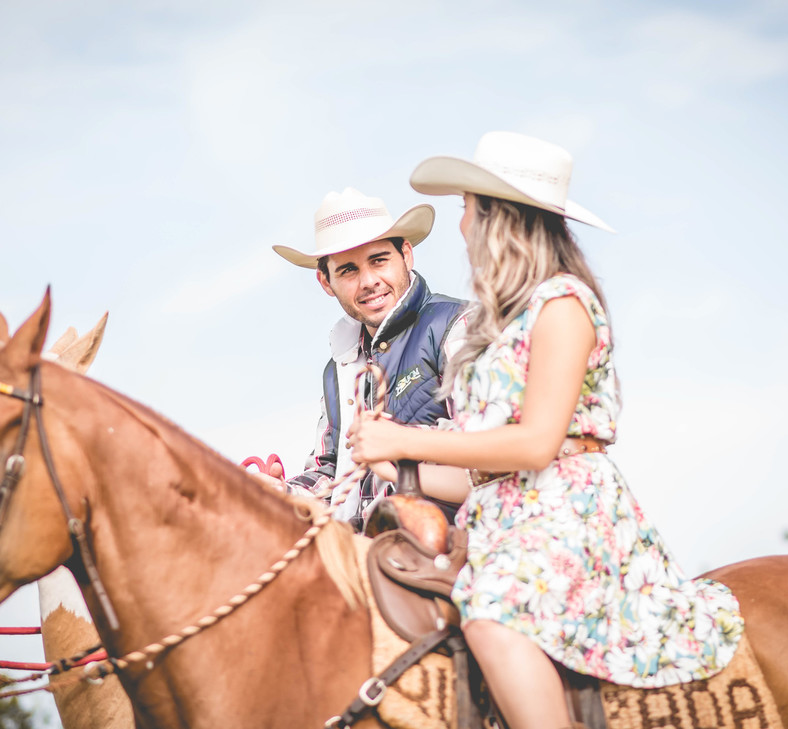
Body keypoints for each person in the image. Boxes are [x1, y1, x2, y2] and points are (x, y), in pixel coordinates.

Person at [347, 132, 744, 728]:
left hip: (567, 514)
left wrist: (405, 440)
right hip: (499, 519)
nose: (460, 226)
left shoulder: (564, 303)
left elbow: (537, 444)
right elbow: (484, 475)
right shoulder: (495, 324)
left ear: (495, 215)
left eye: (466, 209)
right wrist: (393, 467)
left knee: (492, 616)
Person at [271, 187, 466, 530]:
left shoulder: (455, 327)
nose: (369, 281)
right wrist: (278, 494)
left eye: (379, 260)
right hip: (362, 553)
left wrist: (399, 461)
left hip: (443, 549)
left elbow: (488, 449)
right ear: (325, 282)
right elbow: (331, 469)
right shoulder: (338, 370)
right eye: (348, 270)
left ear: (406, 255)